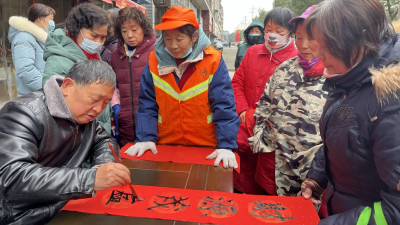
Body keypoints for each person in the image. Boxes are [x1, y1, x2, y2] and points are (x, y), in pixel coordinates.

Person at [300, 0, 400, 224]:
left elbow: (396, 210)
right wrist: (318, 177)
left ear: (360, 37)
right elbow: (342, 137)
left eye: (329, 44)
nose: (320, 54)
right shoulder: (349, 77)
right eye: (319, 42)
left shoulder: (392, 97)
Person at [0, 60, 131, 224]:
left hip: (64, 206)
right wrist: (89, 179)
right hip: (23, 215)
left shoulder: (84, 117)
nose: (98, 109)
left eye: (105, 103)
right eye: (94, 99)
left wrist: (102, 165)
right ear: (67, 86)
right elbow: (12, 176)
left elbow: (105, 141)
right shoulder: (23, 113)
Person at [125, 7, 240, 168]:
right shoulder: (154, 60)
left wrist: (226, 145)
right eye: (167, 39)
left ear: (194, 37)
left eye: (179, 39)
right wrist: (145, 138)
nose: (173, 46)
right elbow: (147, 104)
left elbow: (224, 105)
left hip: (206, 147)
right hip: (165, 145)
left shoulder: (213, 60)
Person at [248, 5, 327, 199]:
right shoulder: (286, 68)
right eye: (299, 38)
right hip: (271, 166)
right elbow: (263, 104)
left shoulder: (336, 77)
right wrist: (261, 137)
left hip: (309, 181)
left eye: (312, 38)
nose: (304, 45)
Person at [232, 7, 298, 194]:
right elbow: (236, 82)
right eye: (269, 29)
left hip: (272, 134)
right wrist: (243, 110)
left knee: (265, 183)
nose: (272, 35)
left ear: (290, 33)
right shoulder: (252, 52)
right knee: (243, 175)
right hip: (245, 125)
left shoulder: (295, 59)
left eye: (279, 31)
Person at [41, 3, 112, 134]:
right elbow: (56, 109)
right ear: (76, 29)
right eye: (94, 36)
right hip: (79, 139)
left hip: (97, 134)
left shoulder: (92, 55)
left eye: (103, 37)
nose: (98, 42)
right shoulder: (58, 62)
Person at [110, 6, 156, 146]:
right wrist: (116, 107)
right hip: (124, 124)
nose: (129, 35)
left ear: (144, 28)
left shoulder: (156, 52)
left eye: (134, 30)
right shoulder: (115, 56)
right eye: (124, 31)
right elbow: (113, 86)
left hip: (152, 123)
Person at [8, 3, 55, 97]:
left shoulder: (39, 38)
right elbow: (25, 70)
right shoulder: (24, 38)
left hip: (40, 94)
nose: (52, 23)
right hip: (32, 97)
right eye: (50, 20)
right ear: (40, 19)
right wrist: (48, 88)